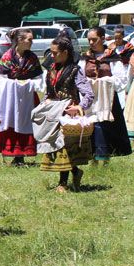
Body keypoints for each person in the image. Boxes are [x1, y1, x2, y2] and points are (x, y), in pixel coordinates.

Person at [37, 37, 93, 192]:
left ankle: (63, 183)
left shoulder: (75, 70)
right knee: (55, 147)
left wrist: (79, 107)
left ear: (65, 53)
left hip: (67, 114)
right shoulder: (51, 68)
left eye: (55, 53)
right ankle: (75, 172)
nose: (52, 56)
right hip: (53, 112)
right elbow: (49, 92)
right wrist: (45, 103)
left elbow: (88, 94)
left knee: (64, 147)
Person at [79, 27, 132, 162]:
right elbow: (79, 78)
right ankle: (92, 156)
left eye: (94, 39)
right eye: (89, 40)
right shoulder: (85, 58)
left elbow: (121, 80)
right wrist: (88, 84)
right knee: (92, 125)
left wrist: (104, 81)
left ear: (103, 39)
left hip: (108, 100)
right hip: (91, 99)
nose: (91, 42)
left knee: (106, 126)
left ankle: (106, 157)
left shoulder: (112, 57)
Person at [0, 29, 42, 165]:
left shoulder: (32, 58)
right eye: (29, 39)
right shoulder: (7, 57)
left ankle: (22, 155)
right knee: (11, 121)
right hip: (11, 98)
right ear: (20, 40)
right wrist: (12, 84)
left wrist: (29, 83)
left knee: (28, 122)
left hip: (28, 97)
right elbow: (0, 77)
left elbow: (38, 77)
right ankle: (12, 153)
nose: (32, 42)